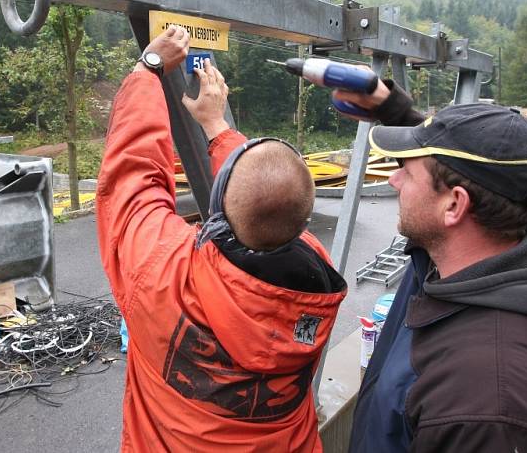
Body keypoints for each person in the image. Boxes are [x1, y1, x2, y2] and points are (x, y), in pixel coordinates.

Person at [96, 26, 347, 452]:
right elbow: (262, 193)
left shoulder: (160, 269)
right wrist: (216, 124)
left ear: (218, 209)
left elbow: (132, 176)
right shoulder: (316, 281)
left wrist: (149, 69)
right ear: (303, 221)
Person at [331, 81, 527, 452]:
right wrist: (397, 114)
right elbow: (458, 168)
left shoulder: (489, 409)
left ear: (454, 206)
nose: (394, 178)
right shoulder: (475, 257)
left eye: (408, 172)